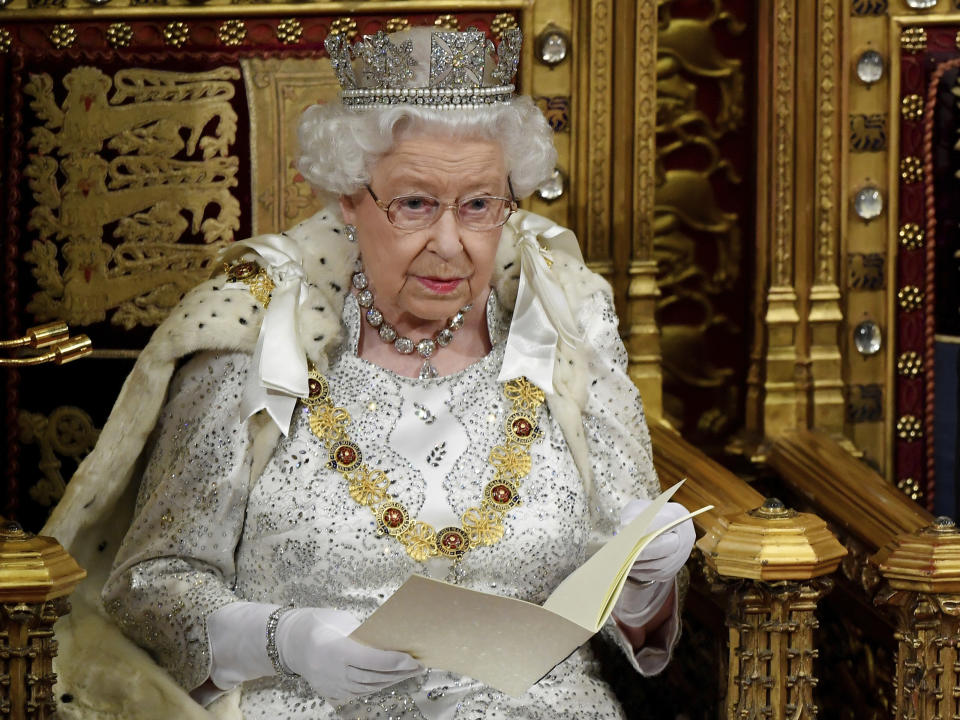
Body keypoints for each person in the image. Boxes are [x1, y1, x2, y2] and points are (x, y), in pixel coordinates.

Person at [43, 26, 694, 720]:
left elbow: (620, 580)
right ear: (349, 200)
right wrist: (285, 641)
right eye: (414, 204)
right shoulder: (253, 333)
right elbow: (152, 581)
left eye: (479, 205)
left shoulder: (565, 325)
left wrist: (648, 579)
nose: (450, 243)